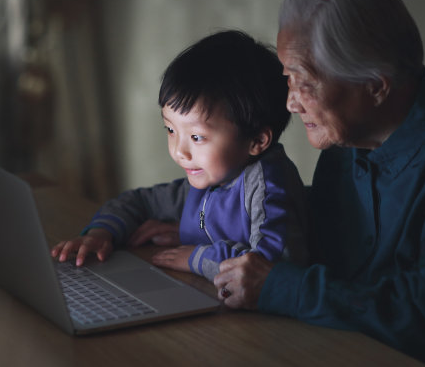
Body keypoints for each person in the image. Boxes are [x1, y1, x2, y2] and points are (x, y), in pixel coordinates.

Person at [213, 0, 425, 366]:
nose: (290, 102)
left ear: (375, 85)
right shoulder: (349, 136)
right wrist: (208, 220)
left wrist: (282, 288)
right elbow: (325, 241)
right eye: (288, 79)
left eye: (304, 82)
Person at [51, 30, 310, 282]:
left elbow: (271, 269)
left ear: (257, 141)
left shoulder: (267, 186)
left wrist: (197, 257)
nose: (179, 151)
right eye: (171, 130)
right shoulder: (211, 180)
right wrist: (100, 233)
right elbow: (138, 201)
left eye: (197, 137)